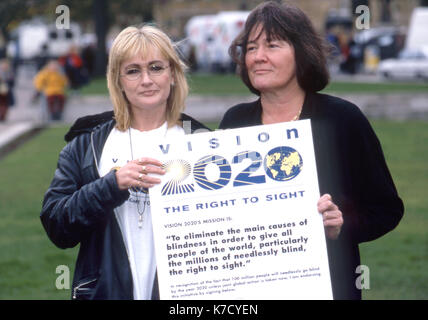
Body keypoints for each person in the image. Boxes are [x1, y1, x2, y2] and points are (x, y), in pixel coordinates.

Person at [219, 1, 404, 300]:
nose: (258, 57)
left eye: (272, 45)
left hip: (328, 286)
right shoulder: (234, 121)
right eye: (251, 48)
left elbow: (386, 209)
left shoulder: (343, 119)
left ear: (301, 52)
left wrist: (341, 225)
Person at [40, 25, 208, 300]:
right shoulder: (87, 144)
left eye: (156, 67)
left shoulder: (204, 143)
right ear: (117, 80)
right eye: (133, 71)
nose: (146, 80)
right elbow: (58, 227)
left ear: (173, 74)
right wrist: (112, 185)